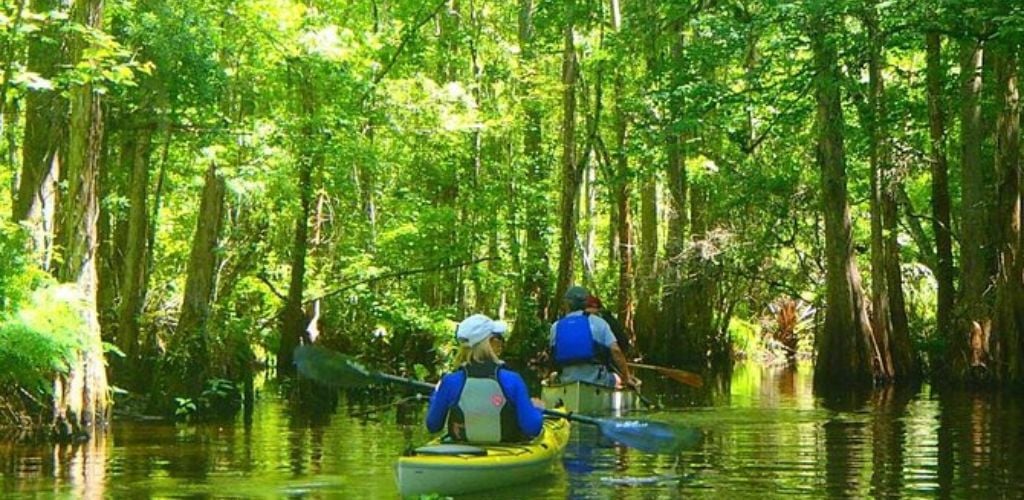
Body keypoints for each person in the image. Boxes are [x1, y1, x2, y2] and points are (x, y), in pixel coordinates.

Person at [426, 314, 544, 443]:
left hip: (461, 451)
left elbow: (433, 425)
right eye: (496, 338)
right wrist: (537, 409)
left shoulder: (450, 382)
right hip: (506, 452)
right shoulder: (512, 380)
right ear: (487, 343)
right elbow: (532, 428)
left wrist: (436, 395)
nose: (500, 343)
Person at [550, 286, 640, 388]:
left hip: (566, 380)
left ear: (566, 304)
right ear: (585, 303)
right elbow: (616, 351)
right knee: (618, 378)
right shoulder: (599, 323)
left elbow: (553, 356)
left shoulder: (555, 326)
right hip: (597, 380)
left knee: (553, 377)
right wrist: (626, 377)